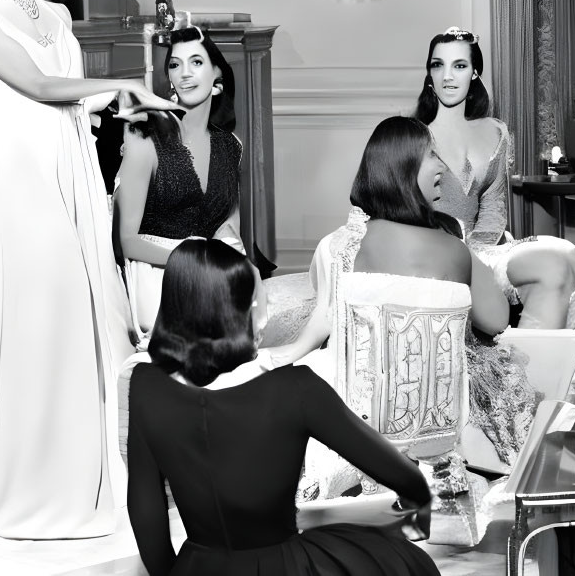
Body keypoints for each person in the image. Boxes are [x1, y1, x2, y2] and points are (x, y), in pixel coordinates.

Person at [0, 0, 179, 539]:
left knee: (83, 318)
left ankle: (86, 474)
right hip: (22, 173)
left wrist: (113, 107)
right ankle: (33, 489)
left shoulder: (57, 14)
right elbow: (36, 87)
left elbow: (68, 100)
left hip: (70, 163)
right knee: (46, 314)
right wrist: (121, 84)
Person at [127, 239, 439, 576]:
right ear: (239, 312)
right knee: (403, 562)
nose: (264, 316)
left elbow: (146, 512)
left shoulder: (145, 386)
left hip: (196, 565)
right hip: (282, 565)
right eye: (260, 301)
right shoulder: (295, 388)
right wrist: (417, 507)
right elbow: (395, 470)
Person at [265, 116, 535, 474]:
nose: (442, 167)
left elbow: (328, 315)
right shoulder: (452, 246)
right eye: (431, 156)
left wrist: (288, 352)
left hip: (360, 406)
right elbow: (496, 319)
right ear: (404, 169)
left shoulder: (343, 244)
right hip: (439, 410)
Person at [414, 27, 575, 329]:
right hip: (433, 254)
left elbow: (493, 208)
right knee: (554, 264)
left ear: (475, 73)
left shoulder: (495, 132)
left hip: (482, 252)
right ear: (429, 73)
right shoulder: (412, 135)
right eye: (438, 65)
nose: (447, 76)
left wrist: (475, 256)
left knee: (567, 254)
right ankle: (527, 372)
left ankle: (535, 369)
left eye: (459, 65)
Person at [114, 24, 243, 337]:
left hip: (211, 277)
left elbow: (229, 226)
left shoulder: (231, 146)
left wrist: (229, 265)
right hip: (156, 280)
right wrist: (193, 260)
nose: (184, 73)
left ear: (217, 80)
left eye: (196, 63)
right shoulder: (143, 138)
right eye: (175, 64)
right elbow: (125, 241)